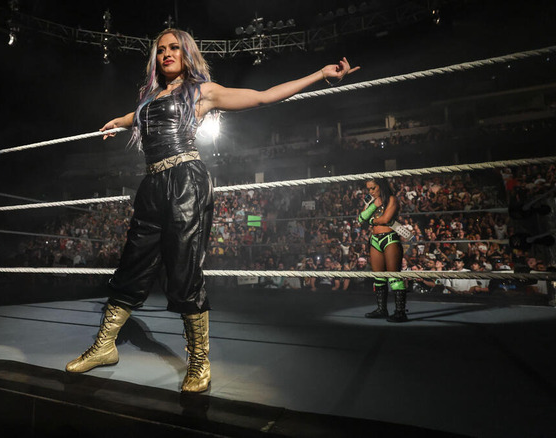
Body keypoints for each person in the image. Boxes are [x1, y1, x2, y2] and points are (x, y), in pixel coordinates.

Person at [65, 28, 359, 392]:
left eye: (174, 48)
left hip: (186, 181)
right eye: (161, 50)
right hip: (152, 185)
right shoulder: (150, 96)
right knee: (132, 263)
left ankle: (199, 363)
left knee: (184, 270)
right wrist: (118, 121)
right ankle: (105, 345)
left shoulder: (201, 92)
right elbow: (139, 115)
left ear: (187, 53)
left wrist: (319, 74)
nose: (167, 54)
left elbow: (264, 97)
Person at [358, 178, 409, 322]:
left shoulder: (392, 199)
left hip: (389, 238)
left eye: (373, 188)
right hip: (374, 239)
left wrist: (371, 220)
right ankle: (382, 309)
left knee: (393, 276)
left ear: (381, 186)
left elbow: (386, 219)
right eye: (368, 189)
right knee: (378, 276)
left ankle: (400, 312)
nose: (371, 191)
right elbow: (360, 219)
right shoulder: (371, 202)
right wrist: (373, 206)